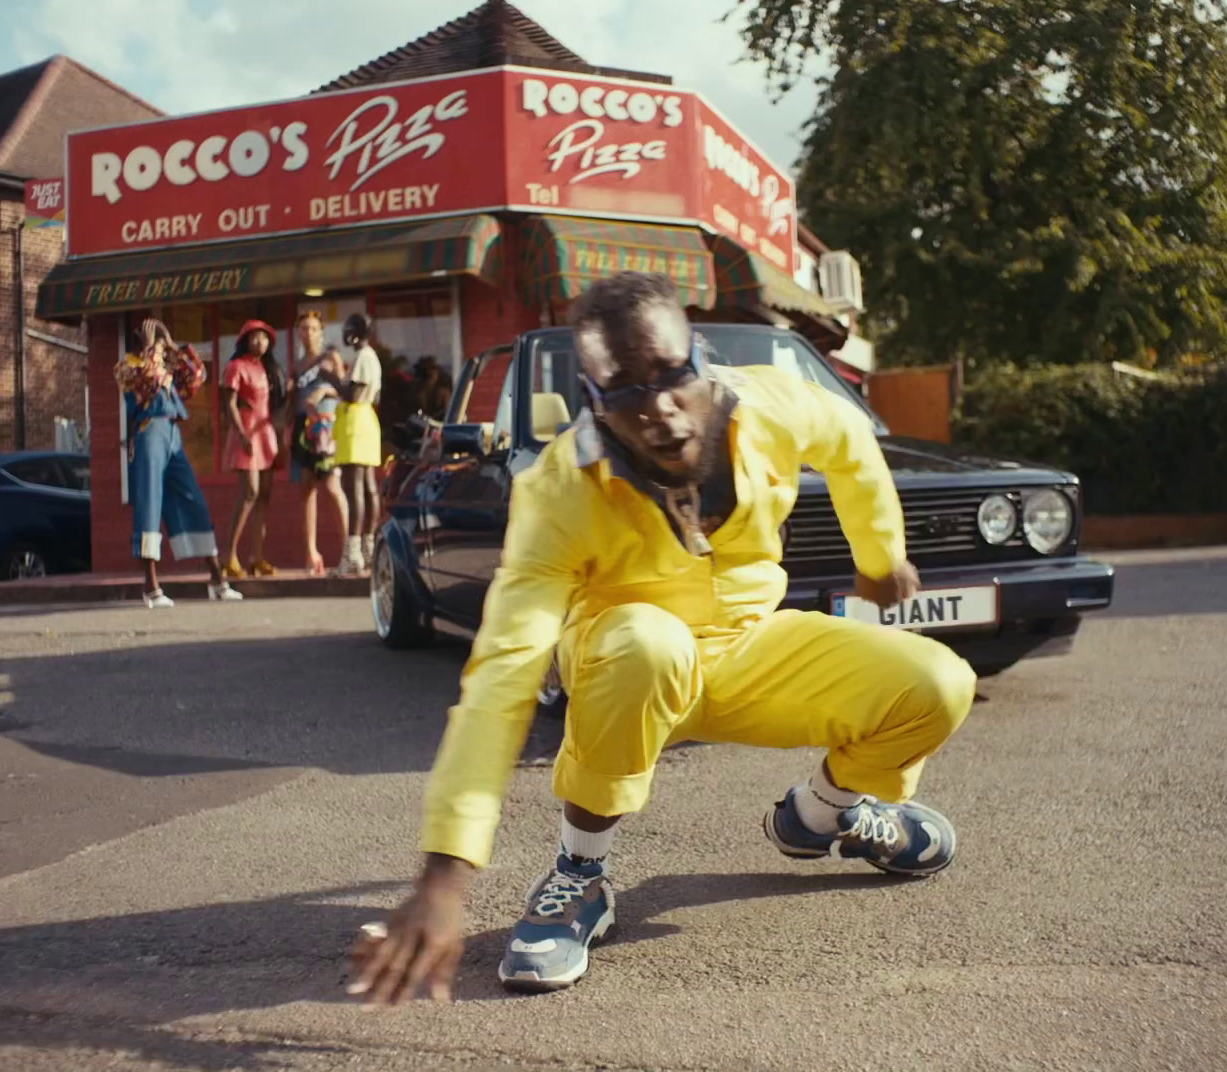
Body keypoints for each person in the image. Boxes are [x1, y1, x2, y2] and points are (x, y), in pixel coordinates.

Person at [347, 271, 978, 1003]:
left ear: (702, 358)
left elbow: (848, 444)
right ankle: (579, 874)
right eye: (624, 390)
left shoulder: (769, 406)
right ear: (592, 401)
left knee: (938, 682)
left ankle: (820, 817)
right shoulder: (560, 488)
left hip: (748, 648)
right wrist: (444, 876)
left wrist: (881, 556)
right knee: (650, 642)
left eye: (675, 374)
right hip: (628, 662)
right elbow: (501, 679)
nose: (661, 409)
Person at [115, 317, 243, 608]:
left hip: (172, 433)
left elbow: (197, 377)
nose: (159, 350)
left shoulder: (165, 365)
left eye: (160, 346)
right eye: (155, 344)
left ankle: (217, 580)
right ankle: (151, 587)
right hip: (149, 432)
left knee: (193, 499)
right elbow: (146, 383)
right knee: (149, 504)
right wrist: (150, 348)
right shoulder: (127, 366)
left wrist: (172, 344)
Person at [220, 319, 285, 579]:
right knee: (250, 492)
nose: (260, 342)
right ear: (245, 340)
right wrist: (240, 432)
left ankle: (257, 557)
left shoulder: (266, 368)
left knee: (264, 496)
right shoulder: (236, 367)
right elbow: (230, 404)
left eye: (265, 338)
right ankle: (229, 556)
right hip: (246, 432)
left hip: (265, 432)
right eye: (255, 337)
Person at [288, 310, 350, 576]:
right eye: (303, 328)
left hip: (328, 425)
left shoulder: (331, 358)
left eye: (313, 328)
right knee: (306, 489)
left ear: (321, 332)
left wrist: (324, 390)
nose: (308, 333)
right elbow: (292, 403)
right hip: (304, 427)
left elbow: (347, 390)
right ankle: (311, 552)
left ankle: (350, 550)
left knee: (333, 486)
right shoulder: (298, 366)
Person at [328, 313, 384, 576]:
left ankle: (353, 553)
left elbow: (352, 393)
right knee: (369, 486)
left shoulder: (362, 357)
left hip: (355, 421)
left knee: (355, 489)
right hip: (369, 420)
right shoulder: (372, 357)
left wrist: (332, 377)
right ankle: (369, 547)